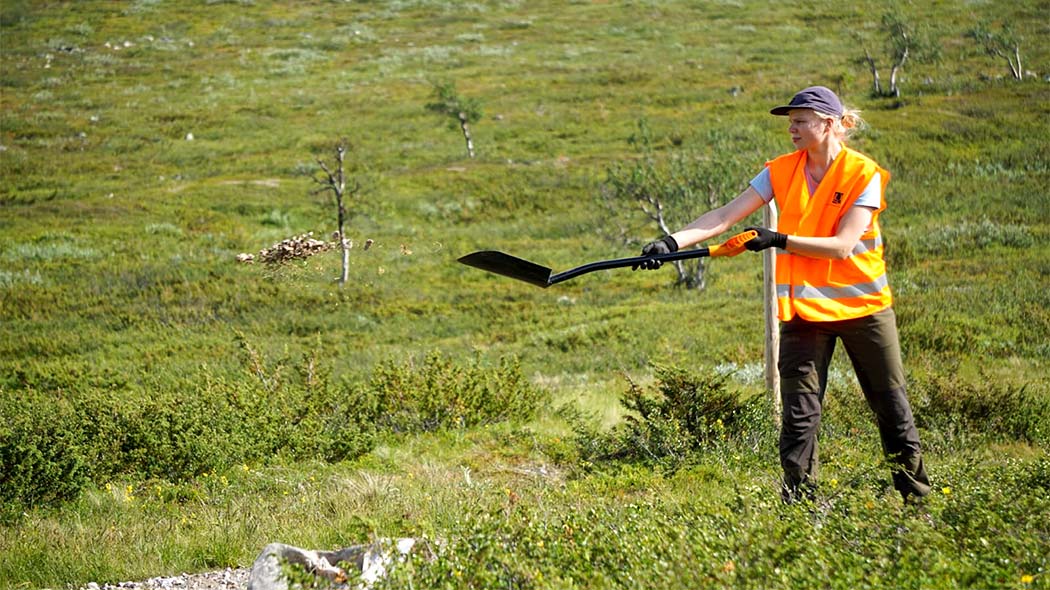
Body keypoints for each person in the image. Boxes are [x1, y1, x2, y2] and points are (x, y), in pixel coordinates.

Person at [636, 86, 931, 504]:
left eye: (800, 121)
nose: (791, 128)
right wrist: (671, 243)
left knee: (892, 409)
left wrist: (778, 239)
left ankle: (916, 503)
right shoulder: (780, 170)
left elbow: (845, 245)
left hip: (863, 311)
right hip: (804, 312)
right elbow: (724, 216)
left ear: (829, 124)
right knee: (799, 418)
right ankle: (800, 509)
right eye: (789, 121)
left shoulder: (863, 174)